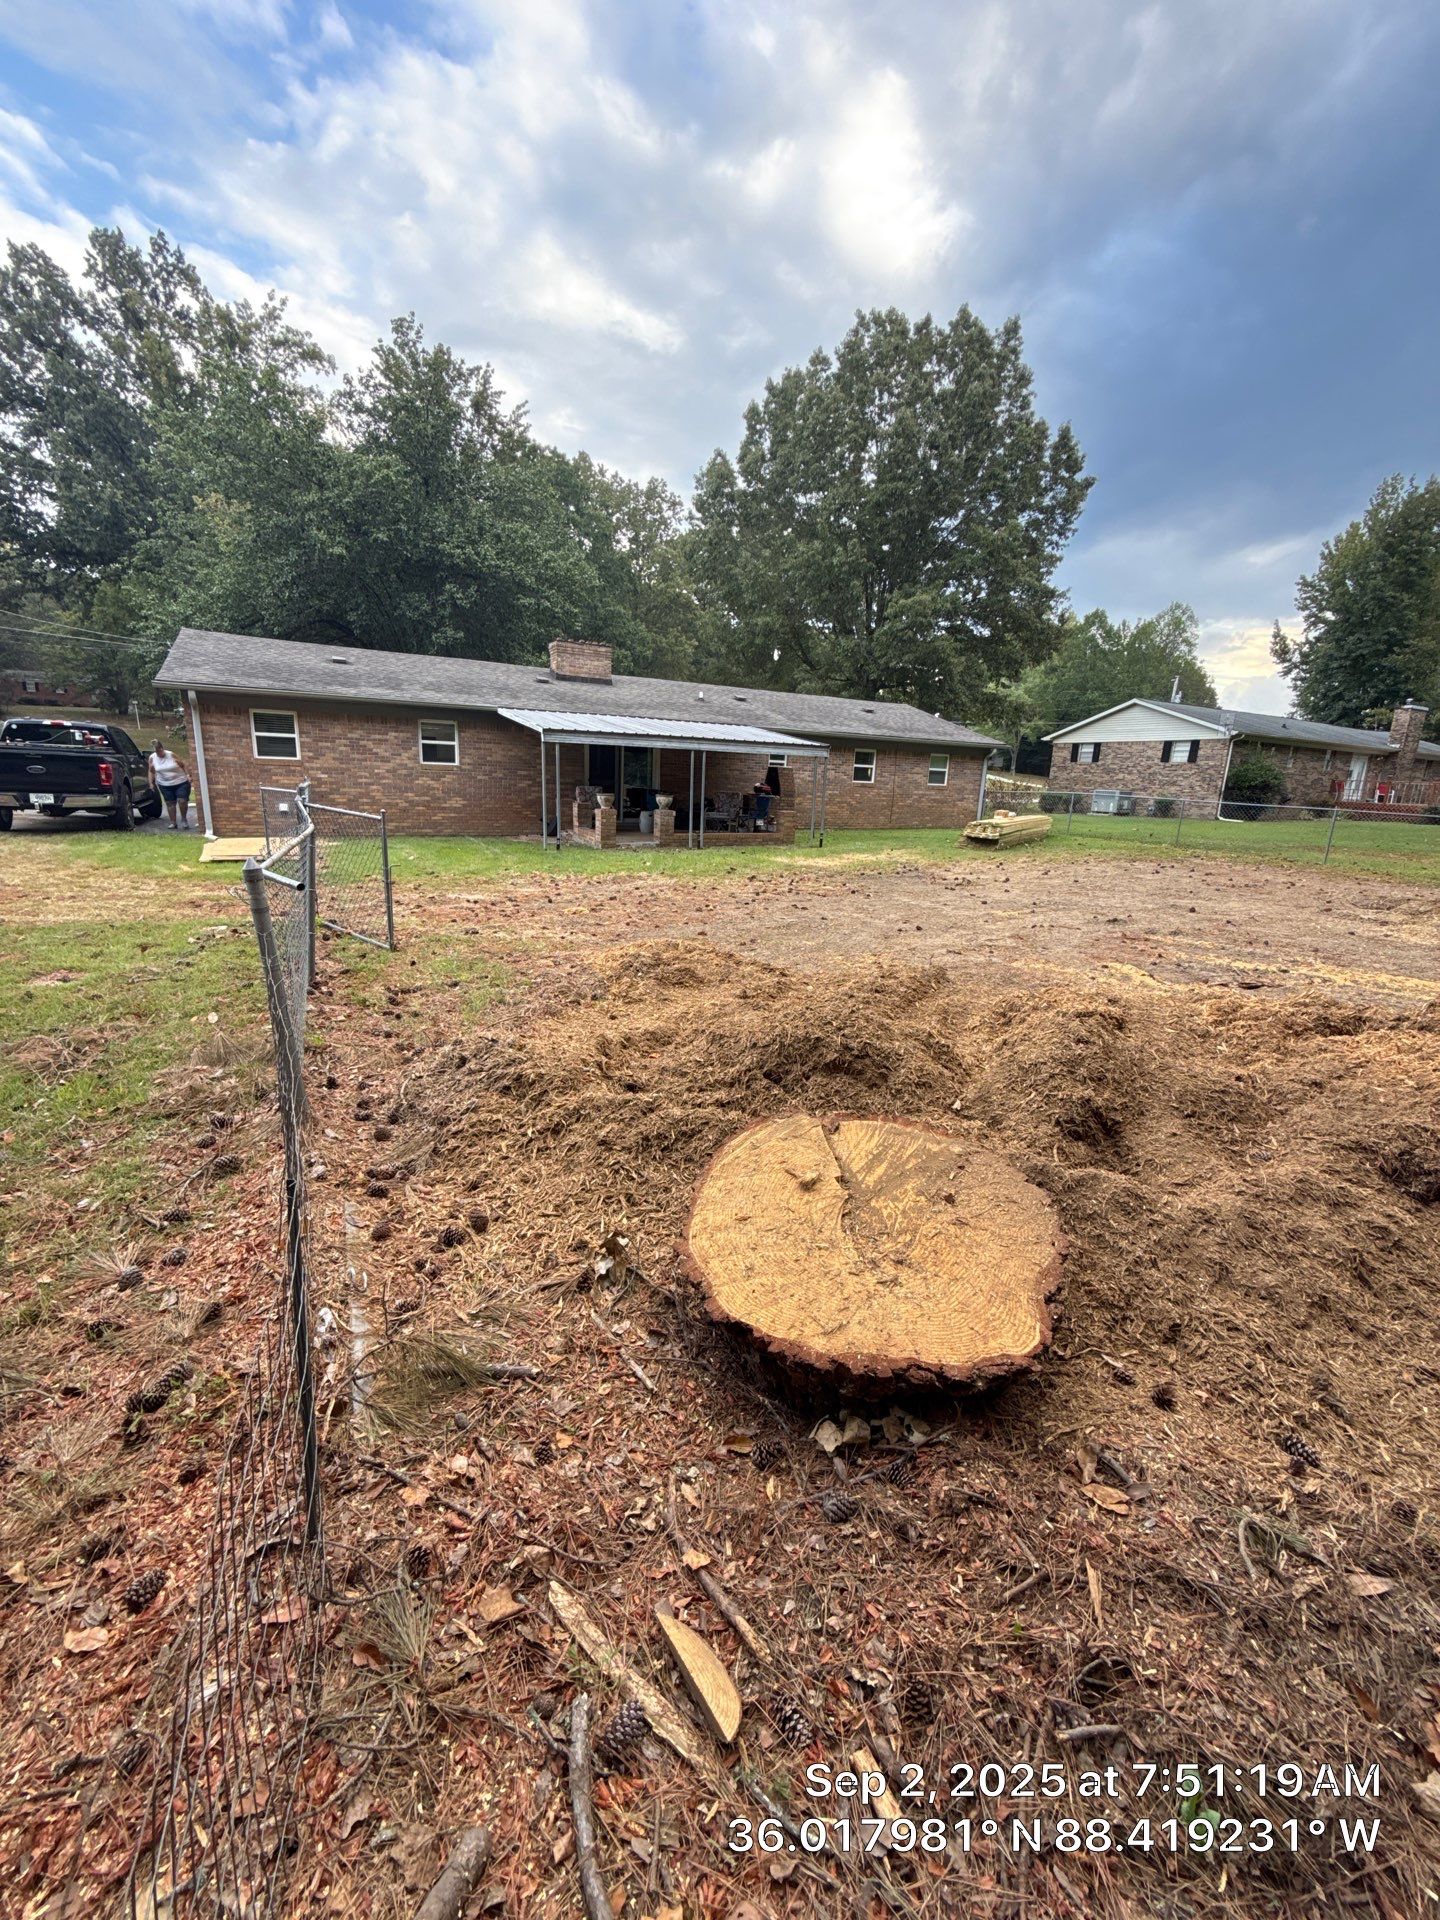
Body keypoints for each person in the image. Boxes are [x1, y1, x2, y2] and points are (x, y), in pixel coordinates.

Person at [149, 739, 195, 830]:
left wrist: (188, 775)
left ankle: (184, 819)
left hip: (180, 782)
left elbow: (183, 765)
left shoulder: (171, 755)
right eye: (156, 752)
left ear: (162, 748)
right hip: (164, 784)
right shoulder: (152, 758)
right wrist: (151, 782)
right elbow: (151, 771)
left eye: (160, 751)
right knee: (170, 803)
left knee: (182, 800)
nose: (159, 754)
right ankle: (173, 822)